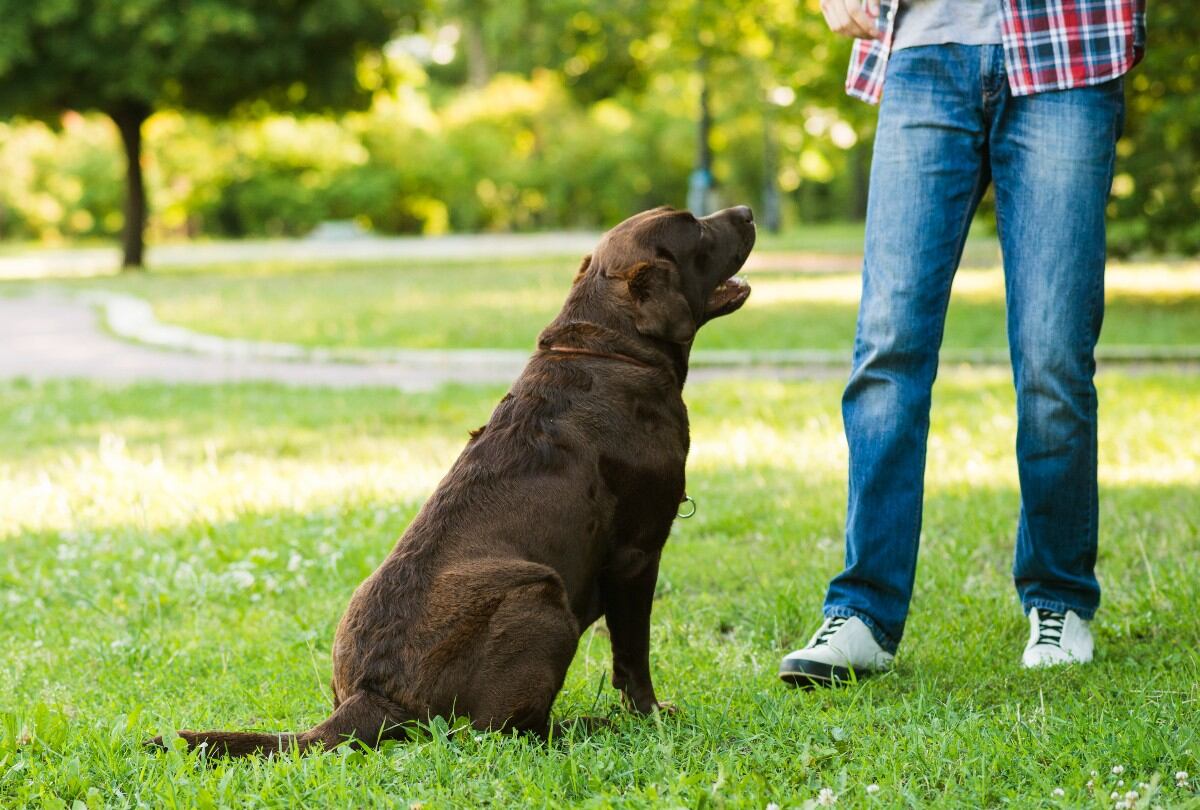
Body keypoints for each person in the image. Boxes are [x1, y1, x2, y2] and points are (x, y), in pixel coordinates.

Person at [779, 0, 1147, 687]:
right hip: (922, 47)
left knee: (1052, 356)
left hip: (1067, 45)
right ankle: (863, 612)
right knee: (888, 349)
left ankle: (1059, 598)